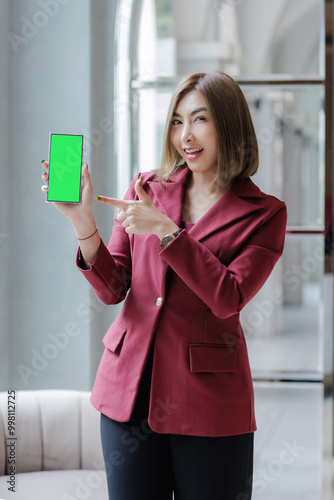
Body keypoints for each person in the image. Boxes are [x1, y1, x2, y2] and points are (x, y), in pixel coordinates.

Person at [41, 71, 287, 500]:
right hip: (128, 393)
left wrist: (170, 233)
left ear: (229, 124)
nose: (185, 135)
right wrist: (83, 224)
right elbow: (115, 287)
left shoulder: (263, 214)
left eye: (199, 119)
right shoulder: (147, 187)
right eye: (176, 121)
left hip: (209, 404)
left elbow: (229, 297)